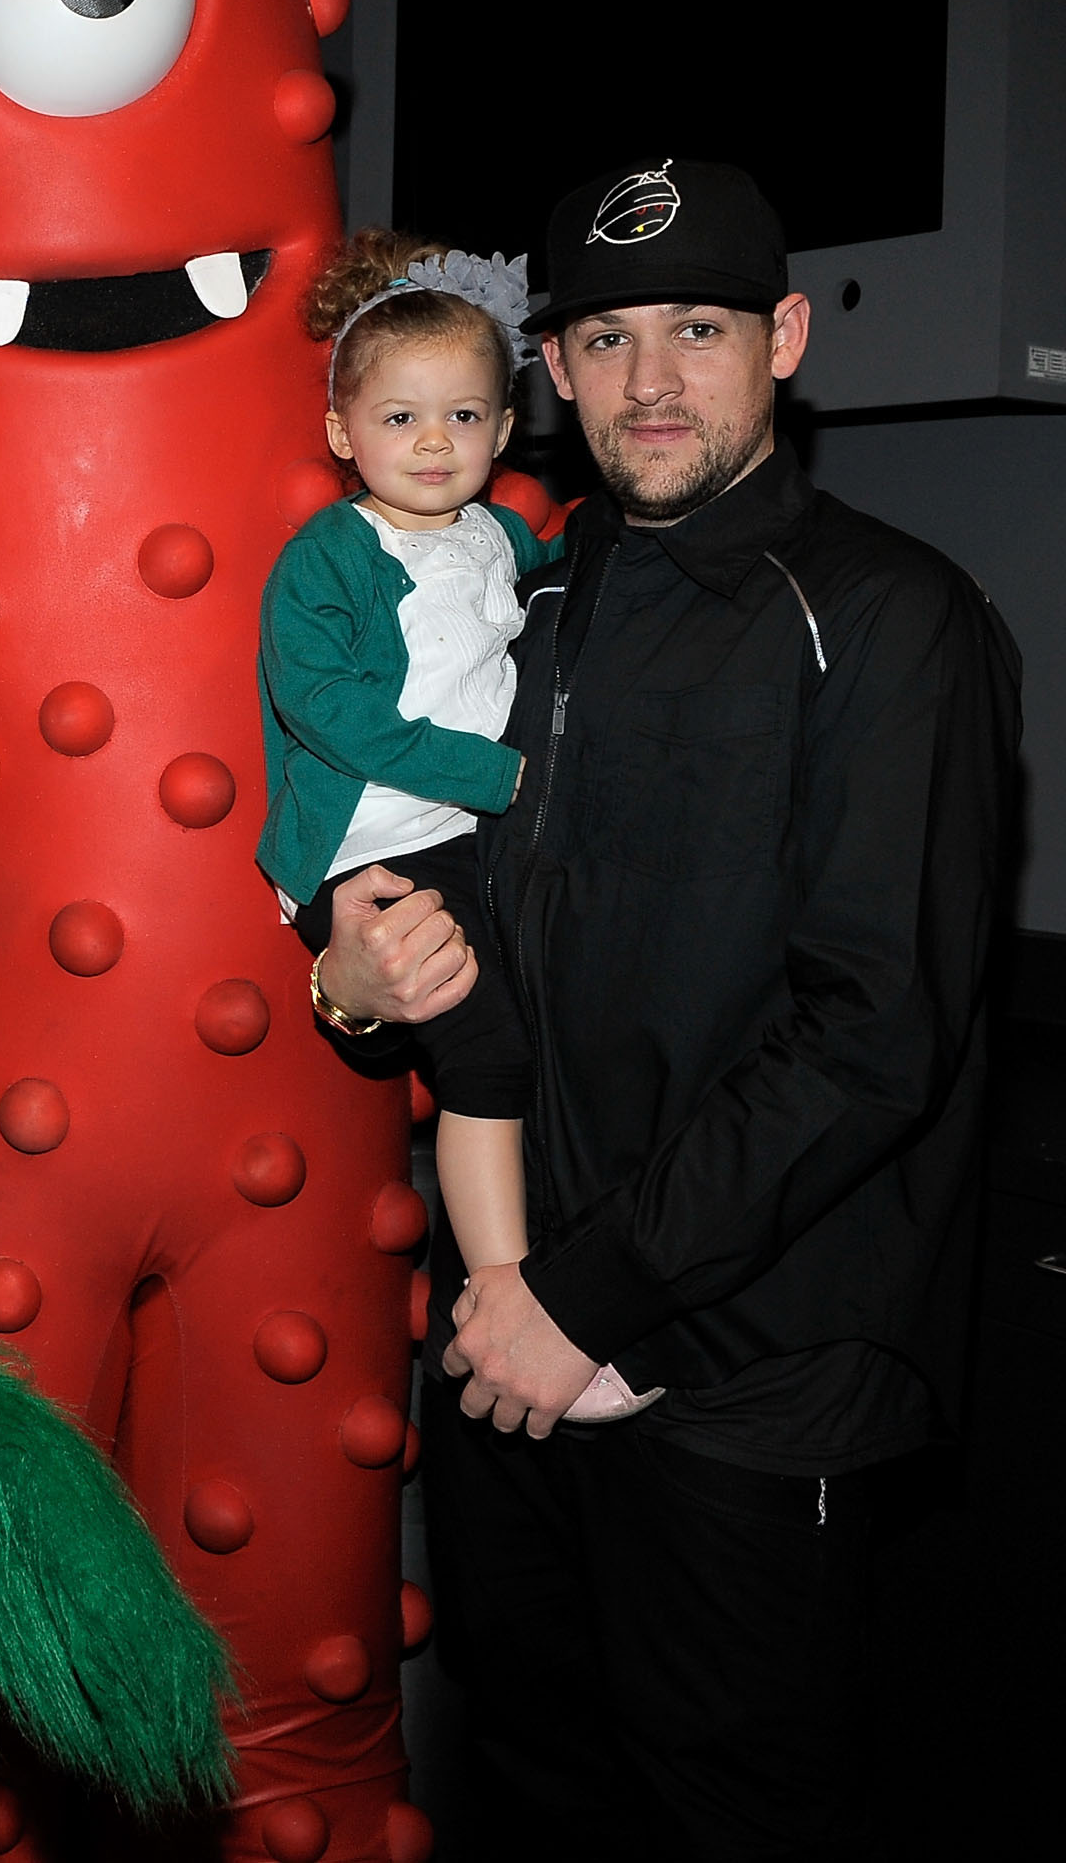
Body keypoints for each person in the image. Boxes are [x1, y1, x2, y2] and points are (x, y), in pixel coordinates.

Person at [311, 160, 1021, 1858]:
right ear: (551, 367)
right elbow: (452, 901)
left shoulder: (890, 616)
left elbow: (873, 1032)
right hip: (513, 1341)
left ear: (784, 339)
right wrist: (352, 982)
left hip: (745, 1377)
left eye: (698, 329)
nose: (649, 380)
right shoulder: (523, 605)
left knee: (731, 1814)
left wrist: (587, 1300)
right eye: (607, 337)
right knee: (533, 1779)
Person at [261, 232, 652, 1423]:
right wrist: (497, 773)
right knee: (486, 1053)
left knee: (550, 1026)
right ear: (343, 432)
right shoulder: (329, 557)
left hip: (474, 828)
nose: (435, 444)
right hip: (373, 845)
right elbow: (330, 713)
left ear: (506, 427)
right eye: (401, 418)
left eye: (465, 417)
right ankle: (503, 1306)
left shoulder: (493, 535)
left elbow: (557, 574)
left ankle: (577, 1277)